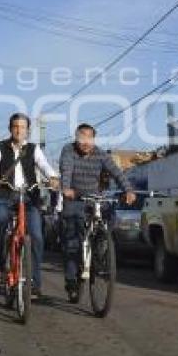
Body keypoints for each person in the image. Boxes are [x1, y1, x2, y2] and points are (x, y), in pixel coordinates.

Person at [0, 113, 58, 299]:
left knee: (36, 236)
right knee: (0, 218)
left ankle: (34, 282)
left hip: (29, 197)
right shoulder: (0, 147)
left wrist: (52, 177)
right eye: (15, 126)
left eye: (23, 127)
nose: (19, 130)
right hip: (5, 195)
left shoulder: (33, 149)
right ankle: (1, 259)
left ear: (28, 130)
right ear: (10, 129)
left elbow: (43, 165)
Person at [58, 123, 134, 300]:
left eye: (89, 138)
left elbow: (117, 172)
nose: (85, 142)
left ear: (94, 139)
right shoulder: (68, 150)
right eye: (81, 137)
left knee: (109, 216)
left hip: (94, 199)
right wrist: (66, 188)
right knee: (72, 243)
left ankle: (100, 249)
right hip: (74, 198)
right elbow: (66, 169)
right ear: (76, 138)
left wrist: (128, 190)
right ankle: (71, 281)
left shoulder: (100, 154)